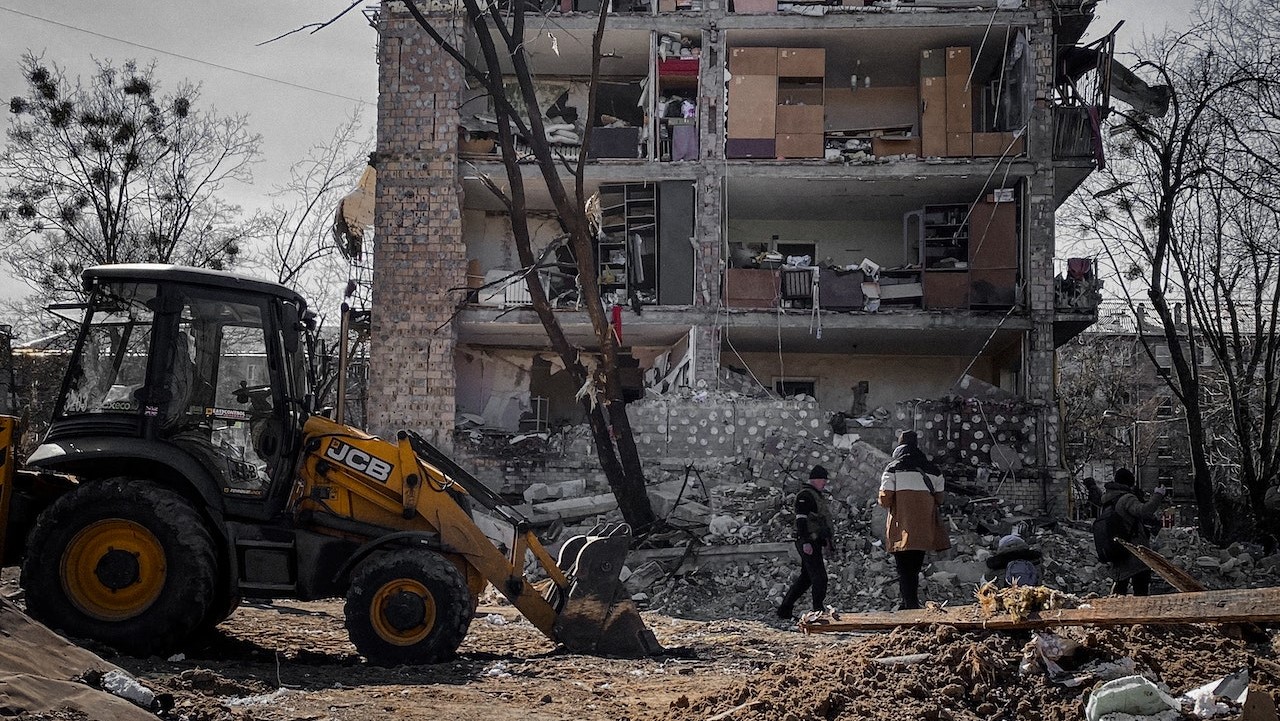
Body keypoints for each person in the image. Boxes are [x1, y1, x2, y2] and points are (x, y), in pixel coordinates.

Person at [879, 430, 950, 610]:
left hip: (901, 528)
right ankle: (910, 603)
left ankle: (909, 604)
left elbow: (884, 499)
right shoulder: (933, 470)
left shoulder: (892, 468)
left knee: (903, 570)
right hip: (924, 529)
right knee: (915, 568)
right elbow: (940, 499)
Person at [777, 465, 834, 620]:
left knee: (806, 578)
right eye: (823, 480)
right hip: (807, 541)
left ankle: (784, 610)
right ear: (816, 479)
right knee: (820, 577)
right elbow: (801, 521)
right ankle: (818, 610)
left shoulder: (815, 495)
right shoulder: (805, 496)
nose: (825, 484)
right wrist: (807, 542)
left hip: (813, 541)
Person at [1100, 468, 1167, 596]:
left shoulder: (1107, 501)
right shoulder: (1126, 498)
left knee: (1120, 587)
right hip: (1134, 550)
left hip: (1117, 549)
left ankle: (1114, 613)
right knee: (1140, 588)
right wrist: (1158, 495)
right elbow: (1144, 511)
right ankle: (1139, 613)